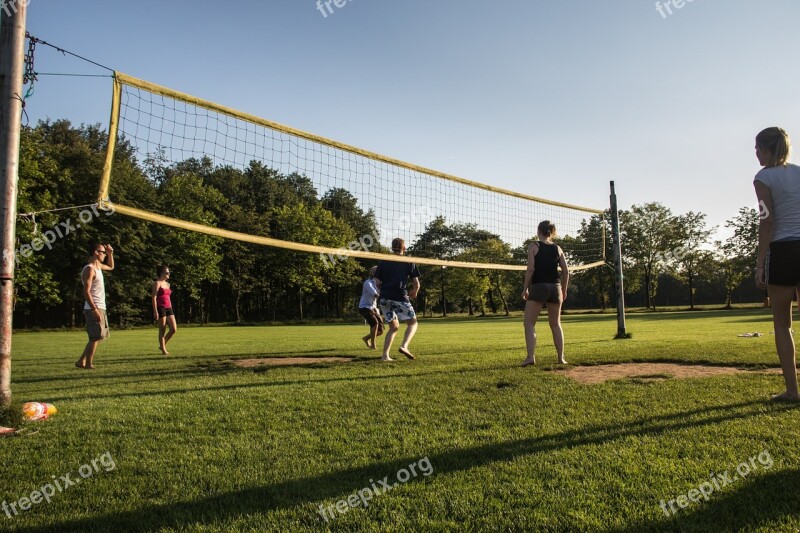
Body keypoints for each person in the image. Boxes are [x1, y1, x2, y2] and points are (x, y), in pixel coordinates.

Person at [753, 126, 800, 402]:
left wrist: (760, 264)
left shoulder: (763, 177)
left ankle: (793, 391)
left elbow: (767, 220)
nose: (756, 153)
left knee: (783, 325)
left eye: (758, 148)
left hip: (783, 250)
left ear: (768, 149)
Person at [521, 221, 569, 367]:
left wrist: (525, 289)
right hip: (556, 287)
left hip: (539, 286)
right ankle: (561, 358)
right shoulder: (558, 248)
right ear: (551, 232)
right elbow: (566, 271)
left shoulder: (533, 246)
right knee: (555, 324)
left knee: (529, 323)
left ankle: (530, 357)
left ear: (538, 231)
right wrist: (564, 289)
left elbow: (530, 269)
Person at [374, 238, 420, 362]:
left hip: (384, 297)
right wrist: (415, 291)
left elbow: (376, 281)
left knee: (393, 327)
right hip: (399, 295)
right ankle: (404, 346)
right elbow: (416, 282)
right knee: (413, 322)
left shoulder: (384, 261)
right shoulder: (408, 261)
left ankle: (385, 356)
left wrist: (380, 291)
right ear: (404, 248)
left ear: (392, 248)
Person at [75, 243, 114, 369]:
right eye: (103, 252)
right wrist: (94, 309)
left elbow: (111, 266)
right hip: (94, 307)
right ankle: (88, 364)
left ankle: (82, 361)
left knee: (98, 336)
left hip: (100, 306)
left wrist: (110, 254)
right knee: (95, 336)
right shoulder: (89, 269)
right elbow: (86, 291)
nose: (104, 254)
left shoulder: (99, 267)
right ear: (96, 253)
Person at [152, 265, 177, 355]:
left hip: (168, 308)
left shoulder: (167, 284)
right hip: (160, 308)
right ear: (162, 273)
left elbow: (168, 297)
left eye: (169, 272)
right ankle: (163, 350)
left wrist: (170, 307)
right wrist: (155, 311)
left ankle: (162, 345)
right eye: (167, 272)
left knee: (173, 329)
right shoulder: (157, 283)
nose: (169, 274)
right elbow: (154, 297)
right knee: (162, 329)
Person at [358, 266, 383, 349]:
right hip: (364, 307)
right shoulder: (368, 283)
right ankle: (373, 345)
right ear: (373, 273)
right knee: (375, 323)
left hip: (373, 308)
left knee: (380, 330)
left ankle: (366, 338)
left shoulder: (380, 284)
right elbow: (375, 294)